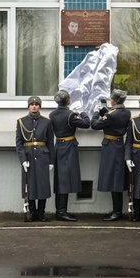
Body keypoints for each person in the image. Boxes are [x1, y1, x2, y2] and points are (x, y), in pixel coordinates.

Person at [49, 90, 90, 221]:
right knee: (65, 181)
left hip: (58, 147)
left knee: (60, 180)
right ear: (68, 101)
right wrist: (83, 112)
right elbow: (86, 123)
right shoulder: (70, 115)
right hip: (68, 148)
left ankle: (60, 210)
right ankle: (61, 212)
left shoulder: (52, 114)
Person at [91, 89, 131, 221]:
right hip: (118, 145)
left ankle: (117, 211)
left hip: (111, 147)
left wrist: (97, 112)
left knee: (114, 180)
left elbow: (95, 124)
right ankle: (117, 210)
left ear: (114, 100)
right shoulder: (126, 112)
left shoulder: (112, 115)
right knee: (116, 178)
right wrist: (105, 110)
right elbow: (111, 115)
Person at [16, 96, 55, 222]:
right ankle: (32, 212)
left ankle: (41, 212)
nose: (34, 106)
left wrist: (51, 161)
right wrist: (23, 159)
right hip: (29, 157)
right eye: (32, 104)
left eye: (36, 104)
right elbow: (19, 143)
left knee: (43, 185)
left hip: (43, 156)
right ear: (28, 106)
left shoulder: (47, 122)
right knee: (30, 185)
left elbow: (50, 142)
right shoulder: (21, 121)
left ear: (40, 107)